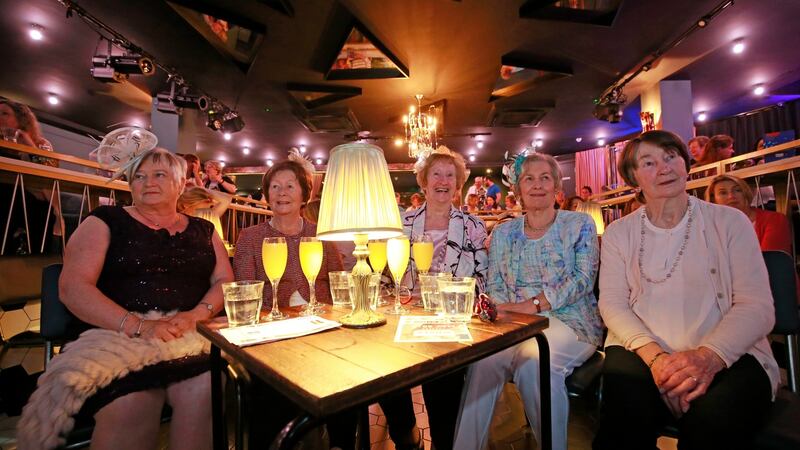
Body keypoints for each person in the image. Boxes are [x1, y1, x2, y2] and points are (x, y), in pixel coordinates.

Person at [30, 148, 234, 450]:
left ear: (181, 184)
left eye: (159, 174)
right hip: (116, 337)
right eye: (138, 176)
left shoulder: (204, 229)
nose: (147, 182)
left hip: (188, 334)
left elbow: (224, 280)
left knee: (206, 391)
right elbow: (73, 287)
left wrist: (196, 315)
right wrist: (139, 325)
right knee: (132, 405)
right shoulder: (104, 220)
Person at [593, 130, 779, 450]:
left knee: (712, 424)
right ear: (633, 177)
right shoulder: (618, 232)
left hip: (728, 352)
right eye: (649, 162)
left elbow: (757, 306)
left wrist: (708, 358)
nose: (664, 168)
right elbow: (612, 304)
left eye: (670, 157)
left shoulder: (730, 222)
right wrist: (659, 361)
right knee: (622, 418)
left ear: (685, 163)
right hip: (641, 350)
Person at [455, 153, 600, 450]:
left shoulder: (579, 223)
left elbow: (583, 279)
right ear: (518, 189)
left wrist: (533, 305)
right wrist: (502, 311)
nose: (537, 185)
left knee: (535, 361)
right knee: (482, 360)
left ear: (556, 186)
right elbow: (495, 285)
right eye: (528, 179)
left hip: (571, 321)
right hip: (514, 324)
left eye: (545, 178)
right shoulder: (504, 232)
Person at [382, 146, 489, 450]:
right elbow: (388, 275)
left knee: (444, 380)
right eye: (436, 174)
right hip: (408, 313)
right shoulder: (402, 224)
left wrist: (458, 300)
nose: (443, 181)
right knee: (384, 371)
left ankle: (443, 442)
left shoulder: (473, 226)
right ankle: (406, 434)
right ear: (424, 182)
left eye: (450, 175)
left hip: (452, 318)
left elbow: (483, 276)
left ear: (458, 185)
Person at [233, 158, 342, 309]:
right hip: (272, 322)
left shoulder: (321, 234)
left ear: (304, 195)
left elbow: (339, 282)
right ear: (268, 195)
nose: (282, 192)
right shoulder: (250, 237)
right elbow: (245, 295)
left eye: (290, 186)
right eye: (275, 186)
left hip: (323, 318)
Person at [705, 174, 792, 254]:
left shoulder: (774, 219)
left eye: (738, 190)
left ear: (746, 194)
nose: (731, 196)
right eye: (723, 192)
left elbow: (770, 263)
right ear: (713, 200)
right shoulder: (709, 227)